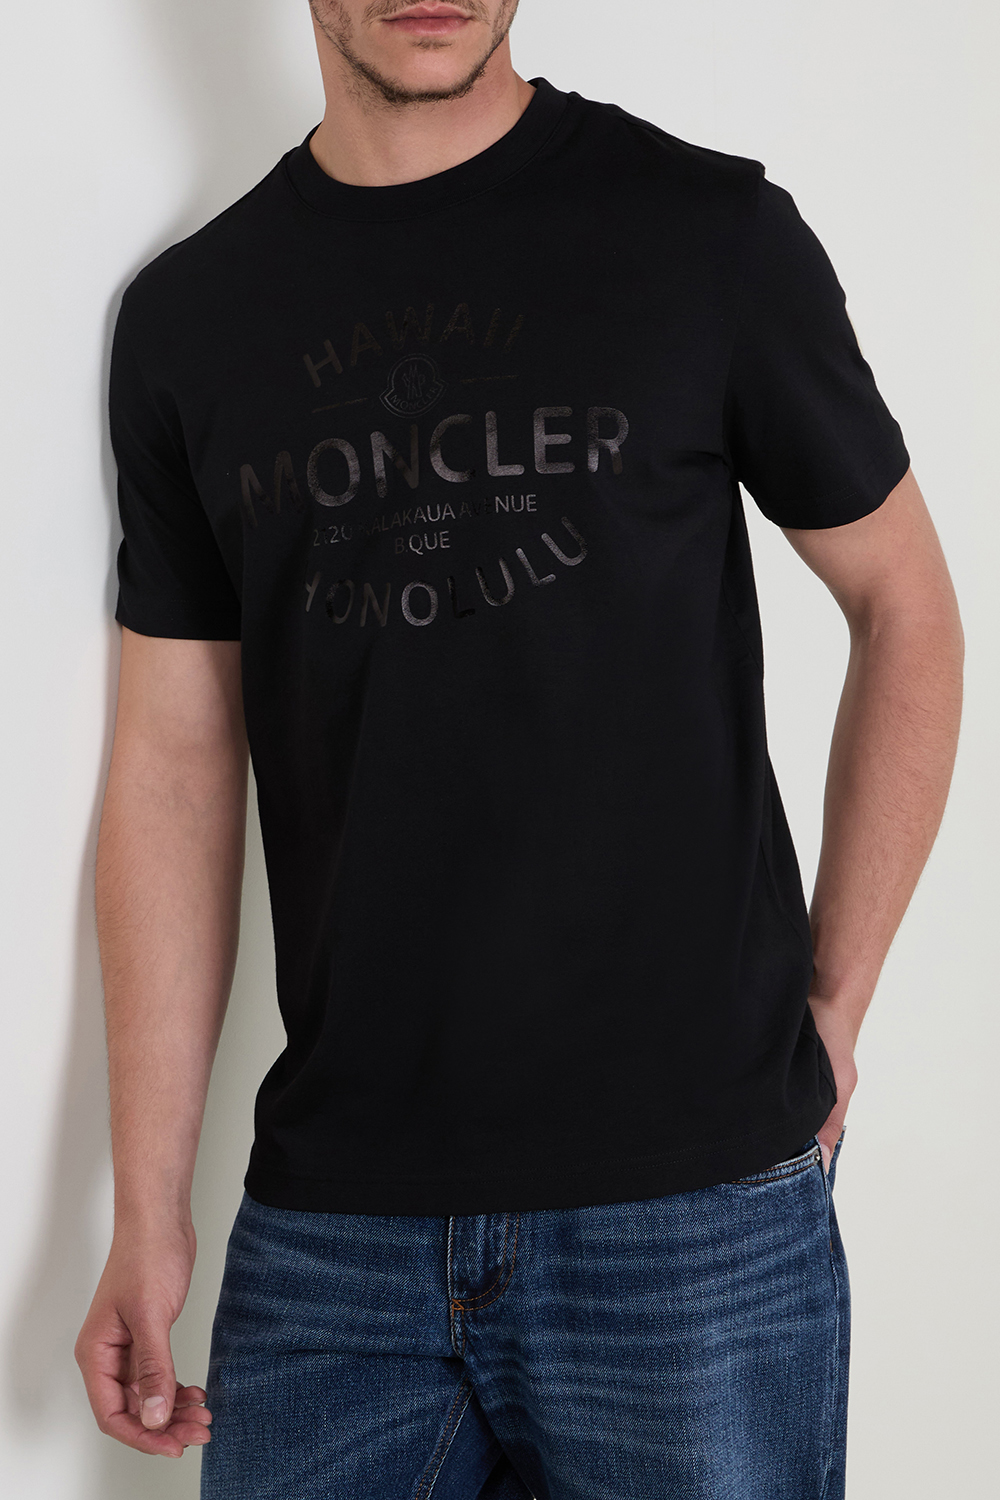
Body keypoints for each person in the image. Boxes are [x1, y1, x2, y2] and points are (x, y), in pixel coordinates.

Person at [74, 2, 964, 1495]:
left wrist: (836, 1005)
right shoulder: (193, 316)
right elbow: (172, 764)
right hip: (334, 1234)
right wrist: (147, 1206)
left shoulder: (708, 236)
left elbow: (907, 609)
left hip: (691, 1211)